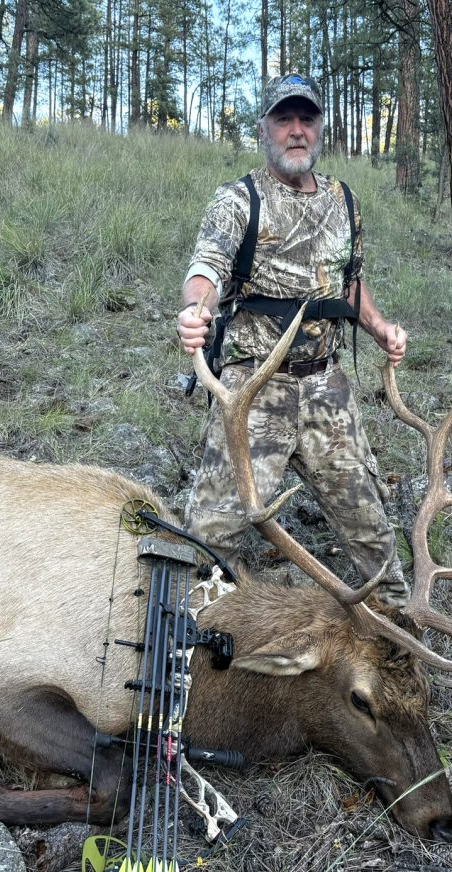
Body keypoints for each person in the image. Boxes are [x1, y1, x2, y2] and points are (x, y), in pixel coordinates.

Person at [176, 74, 410, 607]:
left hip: (328, 389)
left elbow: (349, 283)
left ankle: (399, 649)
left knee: (374, 537)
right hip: (254, 389)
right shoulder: (240, 199)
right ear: (265, 129)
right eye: (285, 120)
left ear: (321, 128)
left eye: (307, 119)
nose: (297, 131)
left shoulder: (344, 201)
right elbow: (206, 268)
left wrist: (379, 328)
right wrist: (196, 310)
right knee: (210, 544)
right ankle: (191, 655)